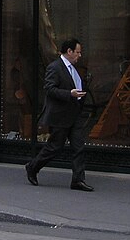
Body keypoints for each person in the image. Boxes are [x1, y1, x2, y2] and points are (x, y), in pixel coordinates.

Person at [24, 38, 94, 191]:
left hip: (74, 114)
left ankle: (78, 180)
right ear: (69, 51)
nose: (79, 55)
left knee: (79, 147)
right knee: (55, 147)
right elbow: (49, 89)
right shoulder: (55, 67)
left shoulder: (74, 69)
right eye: (77, 52)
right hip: (60, 115)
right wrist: (70, 94)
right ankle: (33, 167)